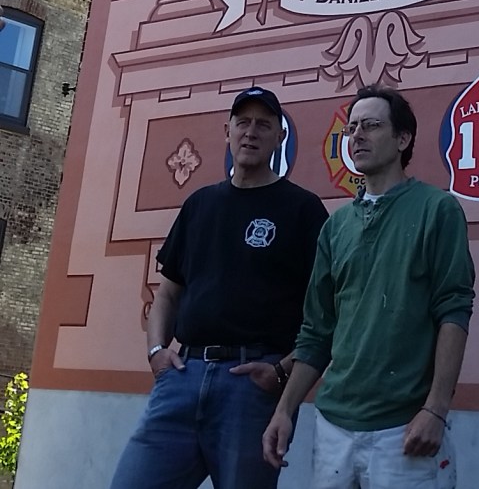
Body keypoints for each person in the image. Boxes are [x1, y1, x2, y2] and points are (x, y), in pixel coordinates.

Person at [109, 87, 328, 489]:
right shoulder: (199, 205)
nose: (251, 132)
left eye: (264, 124)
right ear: (226, 131)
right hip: (182, 376)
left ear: (280, 136)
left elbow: (327, 313)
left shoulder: (303, 210)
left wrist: (281, 373)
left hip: (252, 386)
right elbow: (168, 293)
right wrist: (157, 353)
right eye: (242, 122)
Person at [262, 84, 475, 488]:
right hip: (333, 428)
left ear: (402, 138)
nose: (356, 135)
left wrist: (436, 409)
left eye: (372, 125)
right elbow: (316, 332)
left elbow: (453, 309)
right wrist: (285, 411)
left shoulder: (437, 210)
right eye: (352, 127)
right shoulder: (335, 227)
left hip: (405, 430)